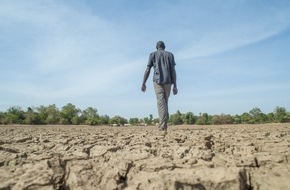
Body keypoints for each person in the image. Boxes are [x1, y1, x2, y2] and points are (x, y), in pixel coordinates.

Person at [141, 41, 178, 135]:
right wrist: (175, 85)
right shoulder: (170, 55)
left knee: (161, 103)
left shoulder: (153, 54)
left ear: (156, 47)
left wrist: (143, 82)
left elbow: (148, 69)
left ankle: (162, 127)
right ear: (164, 47)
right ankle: (164, 126)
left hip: (157, 81)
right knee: (164, 103)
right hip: (168, 81)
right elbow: (173, 70)